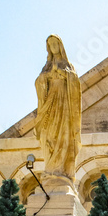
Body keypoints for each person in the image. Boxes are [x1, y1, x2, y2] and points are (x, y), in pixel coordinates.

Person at [34, 35, 82, 180]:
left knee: (63, 135)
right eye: (50, 44)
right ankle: (51, 169)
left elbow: (75, 83)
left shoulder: (68, 66)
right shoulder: (46, 67)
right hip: (50, 104)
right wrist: (46, 77)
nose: (53, 46)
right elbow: (39, 82)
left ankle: (61, 171)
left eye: (55, 43)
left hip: (64, 106)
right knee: (49, 136)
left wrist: (63, 74)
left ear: (60, 45)